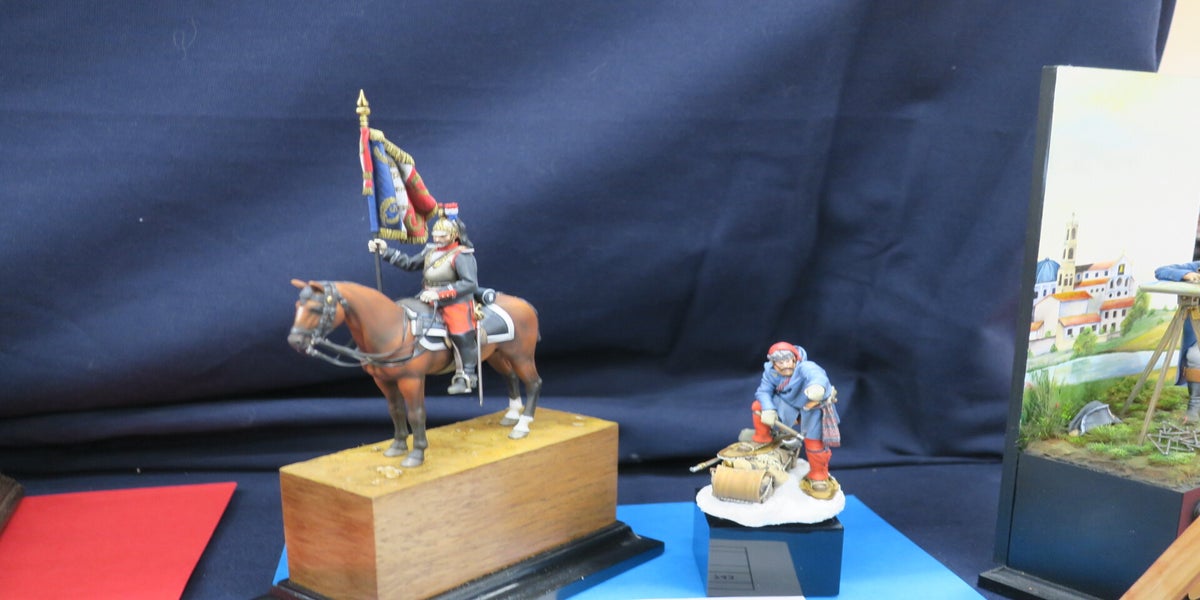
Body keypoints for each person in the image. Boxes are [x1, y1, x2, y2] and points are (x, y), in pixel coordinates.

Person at [369, 216, 479, 394]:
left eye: (442, 236)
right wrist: (385, 251)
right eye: (435, 235)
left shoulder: (462, 255)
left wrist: (439, 294)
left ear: (453, 235)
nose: (437, 239)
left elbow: (470, 283)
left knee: (460, 332)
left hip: (454, 301)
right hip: (427, 297)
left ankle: (467, 375)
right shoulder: (430, 250)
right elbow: (410, 264)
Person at [750, 341, 841, 499]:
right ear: (773, 363)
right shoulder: (770, 372)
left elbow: (817, 375)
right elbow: (763, 391)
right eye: (780, 362)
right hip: (788, 405)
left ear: (794, 359)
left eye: (788, 360)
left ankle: (818, 475)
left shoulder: (805, 367)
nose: (785, 365)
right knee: (758, 406)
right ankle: (763, 439)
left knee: (814, 442)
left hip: (811, 406)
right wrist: (769, 408)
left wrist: (817, 387)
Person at [1154, 261, 1200, 421]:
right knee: (1195, 356)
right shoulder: (1196, 267)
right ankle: (1194, 407)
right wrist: (1187, 275)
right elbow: (1161, 271)